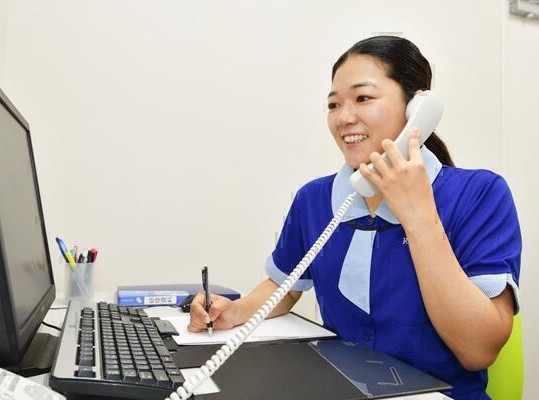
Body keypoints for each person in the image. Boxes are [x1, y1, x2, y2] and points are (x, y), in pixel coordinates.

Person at [188, 35, 521, 400]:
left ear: (418, 109)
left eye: (363, 98)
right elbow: (285, 287)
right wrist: (235, 312)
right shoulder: (314, 199)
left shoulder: (479, 194)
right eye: (333, 104)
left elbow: (478, 351)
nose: (344, 118)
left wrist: (418, 213)